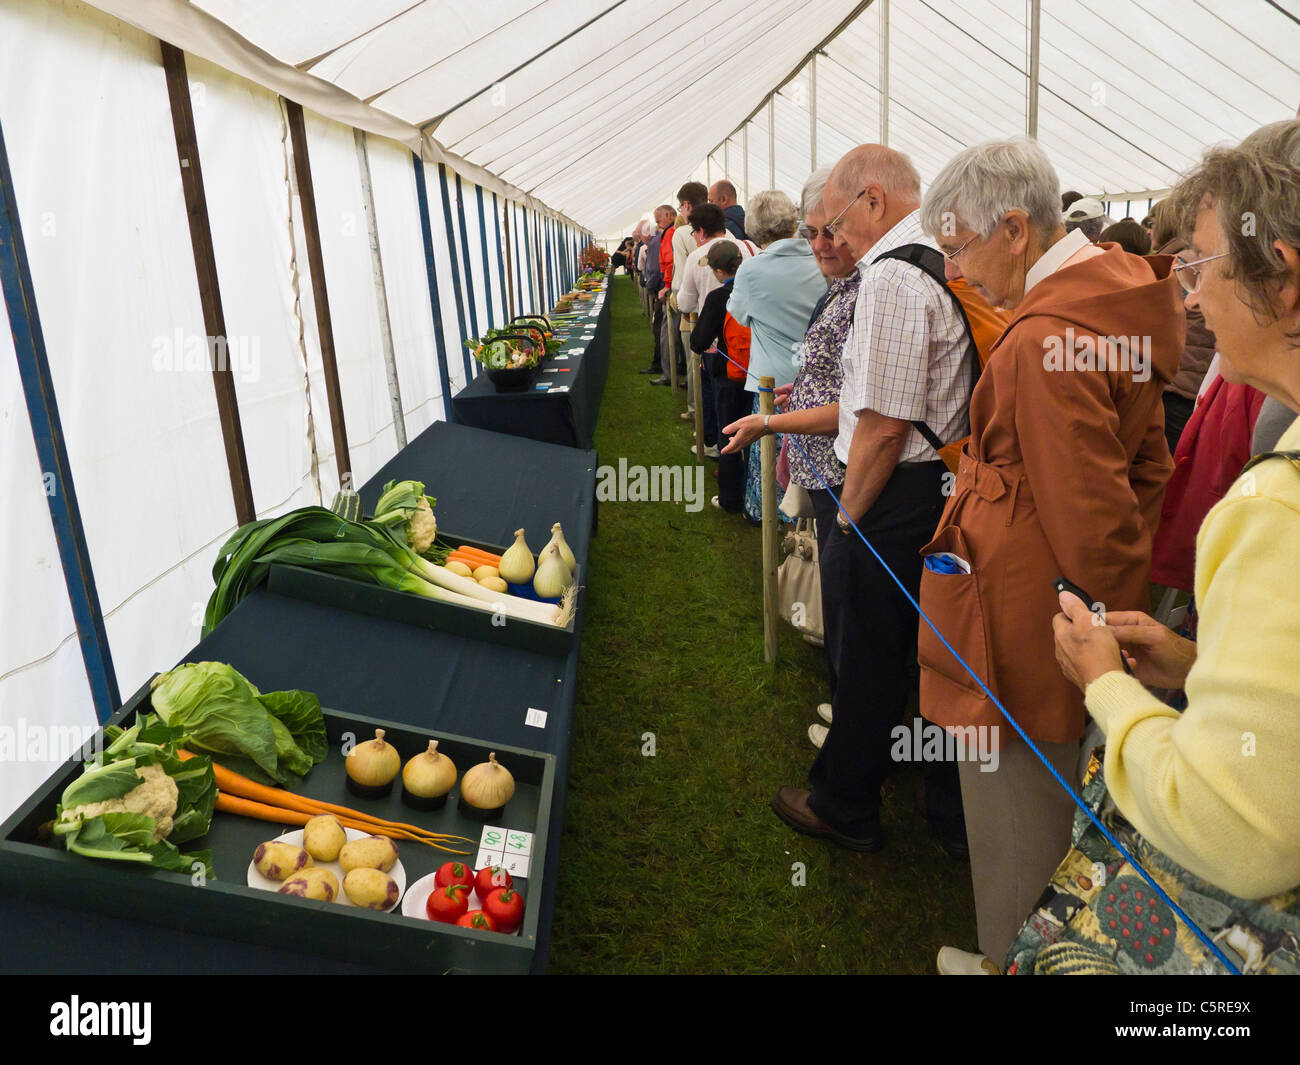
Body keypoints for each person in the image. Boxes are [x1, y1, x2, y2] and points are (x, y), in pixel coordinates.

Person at [915, 138, 1182, 974]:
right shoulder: (1113, 295)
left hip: (1032, 618)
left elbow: (1088, 515)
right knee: (1037, 786)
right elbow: (1143, 467)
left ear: (1017, 229)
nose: (956, 272)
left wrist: (1091, 644)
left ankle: (1016, 957)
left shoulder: (1044, 337)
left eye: (958, 248)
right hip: (1057, 595)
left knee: (1018, 795)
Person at [1048, 118, 1300, 958]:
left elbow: (1229, 821)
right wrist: (1201, 666)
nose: (1188, 298)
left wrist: (1105, 688)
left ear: (1284, 279)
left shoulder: (1276, 511)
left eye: (1199, 266)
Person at [768, 144, 971, 860]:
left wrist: (849, 519)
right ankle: (921, 787)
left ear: (875, 203)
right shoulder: (934, 259)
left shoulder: (889, 278)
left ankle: (846, 803)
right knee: (905, 654)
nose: (833, 239)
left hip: (891, 492)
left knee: (869, 656)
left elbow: (881, 429)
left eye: (838, 222)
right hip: (929, 487)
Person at [723, 167, 860, 746]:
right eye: (813, 232)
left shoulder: (755, 271)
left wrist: (776, 411)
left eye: (830, 232)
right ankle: (817, 626)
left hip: (790, 411)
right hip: (801, 411)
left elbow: (739, 318)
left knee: (802, 524)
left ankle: (811, 621)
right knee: (818, 535)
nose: (822, 244)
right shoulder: (831, 275)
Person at [727, 190, 826, 523]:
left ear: (754, 229)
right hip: (818, 382)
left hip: (772, 385)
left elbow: (739, 315)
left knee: (770, 463)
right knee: (814, 461)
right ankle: (807, 526)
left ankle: (771, 524)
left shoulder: (752, 271)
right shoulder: (820, 260)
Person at [677, 203, 757, 455]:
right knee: (751, 402)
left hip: (717, 348)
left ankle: (717, 446)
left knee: (720, 403)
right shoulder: (751, 247)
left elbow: (686, 303)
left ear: (700, 230)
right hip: (755, 344)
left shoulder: (695, 257)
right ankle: (748, 452)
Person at [689, 241, 751, 513]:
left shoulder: (718, 297)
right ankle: (757, 494)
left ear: (717, 271)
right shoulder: (755, 290)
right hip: (758, 372)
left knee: (730, 434)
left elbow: (698, 341)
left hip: (728, 376)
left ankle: (730, 497)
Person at [671, 182, 710, 400]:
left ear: (687, 205)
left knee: (694, 361)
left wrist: (679, 302)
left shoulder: (682, 233)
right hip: (725, 314)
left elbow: (681, 279)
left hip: (693, 310)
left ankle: (697, 410)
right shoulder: (730, 234)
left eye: (680, 207)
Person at [642, 206, 676, 382]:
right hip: (670, 287)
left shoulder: (668, 235)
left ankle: (667, 373)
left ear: (669, 215)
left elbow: (663, 265)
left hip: (667, 289)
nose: (658, 225)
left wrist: (662, 286)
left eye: (659, 220)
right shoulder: (669, 233)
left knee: (664, 334)